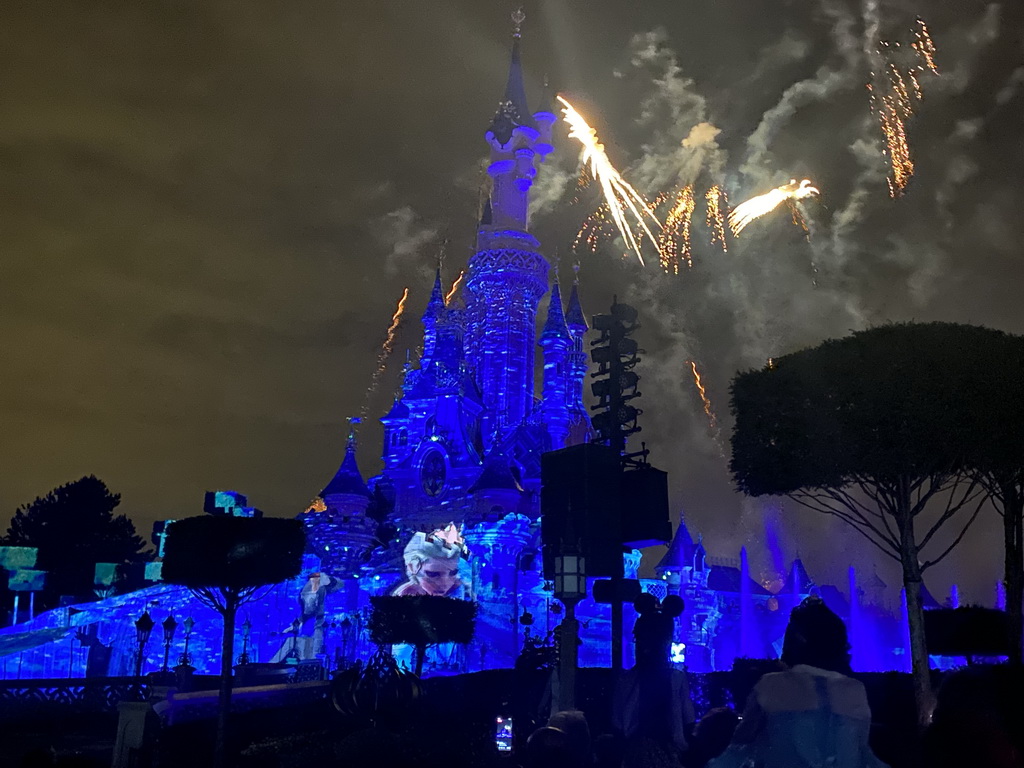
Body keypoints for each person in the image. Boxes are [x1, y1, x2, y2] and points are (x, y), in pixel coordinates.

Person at [708, 596, 889, 768]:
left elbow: (740, 746)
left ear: (796, 640)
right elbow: (862, 753)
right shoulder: (854, 689)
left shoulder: (771, 685)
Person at [613, 593, 696, 756]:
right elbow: (688, 717)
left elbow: (618, 720)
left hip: (638, 750)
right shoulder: (676, 678)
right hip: (667, 750)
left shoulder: (627, 680)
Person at [392, 523, 468, 597]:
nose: (444, 583)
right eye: (433, 574)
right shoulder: (406, 595)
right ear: (412, 567)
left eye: (453, 573)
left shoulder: (460, 588)